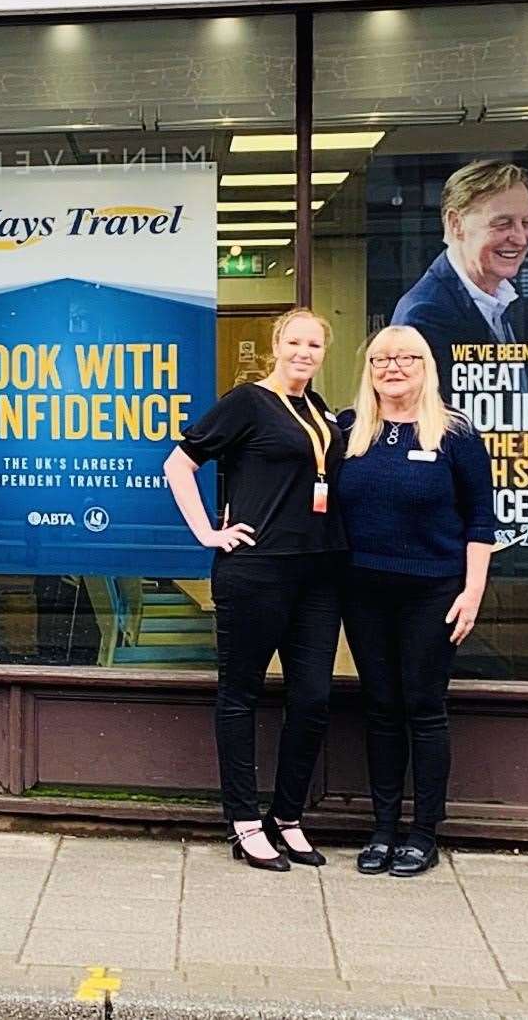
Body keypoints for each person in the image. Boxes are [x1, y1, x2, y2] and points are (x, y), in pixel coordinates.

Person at [162, 308, 347, 871]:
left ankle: (287, 817)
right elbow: (178, 464)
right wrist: (207, 533)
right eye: (294, 341)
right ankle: (244, 822)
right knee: (239, 696)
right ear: (276, 344)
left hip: (318, 574)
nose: (303, 352)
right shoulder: (247, 401)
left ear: (323, 353)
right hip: (257, 570)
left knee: (313, 698)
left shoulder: (319, 410)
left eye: (314, 344)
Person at [337, 325, 494, 877]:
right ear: (369, 369)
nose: (393, 367)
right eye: (381, 358)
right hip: (363, 591)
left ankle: (423, 833)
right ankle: (382, 829)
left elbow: (481, 520)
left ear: (425, 365)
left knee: (423, 709)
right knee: (380, 708)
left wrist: (472, 590)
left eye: (406, 357)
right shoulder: (349, 429)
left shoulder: (455, 434)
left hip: (434, 592)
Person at [391, 159, 528, 347]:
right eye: (502, 223)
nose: (520, 239)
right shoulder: (424, 316)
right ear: (456, 224)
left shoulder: (509, 299)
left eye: (526, 223)